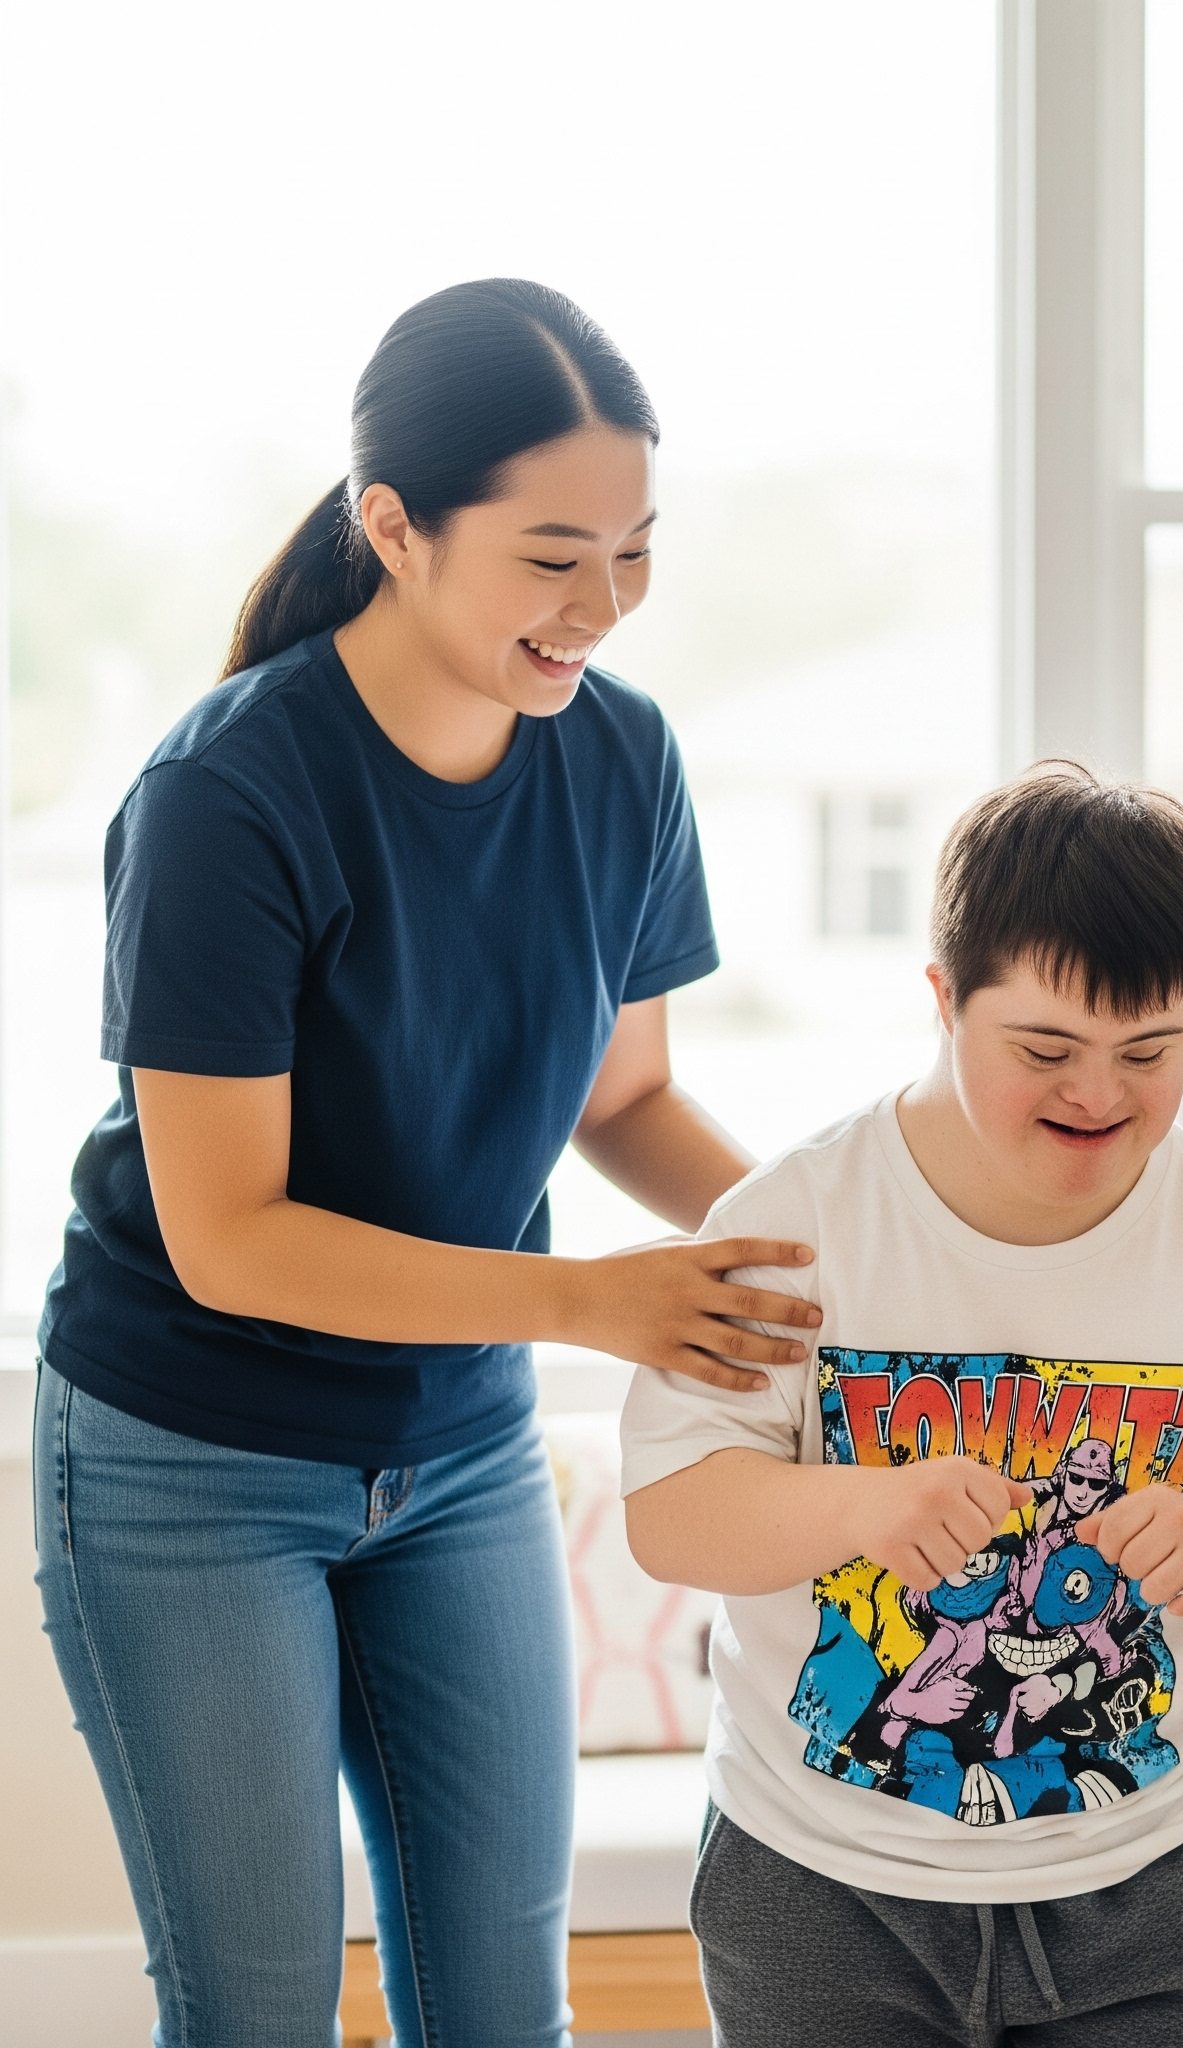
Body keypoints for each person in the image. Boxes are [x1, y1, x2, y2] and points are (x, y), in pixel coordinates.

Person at [32, 279, 819, 2048]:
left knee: (496, 2002)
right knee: (253, 2006)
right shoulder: (228, 795)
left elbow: (626, 1101)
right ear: (392, 525)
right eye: (552, 555)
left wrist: (825, 1250)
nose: (601, 606)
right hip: (190, 1454)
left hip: (450, 1450)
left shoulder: (621, 758)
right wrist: (592, 1306)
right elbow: (230, 1234)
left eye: (633, 550)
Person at [621, 764, 1183, 2048]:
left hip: (1164, 1876)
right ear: (940, 1000)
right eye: (1044, 1049)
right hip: (820, 1882)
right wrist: (859, 1501)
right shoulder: (792, 1227)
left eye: (1149, 1051)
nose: (1098, 1092)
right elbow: (671, 1515)